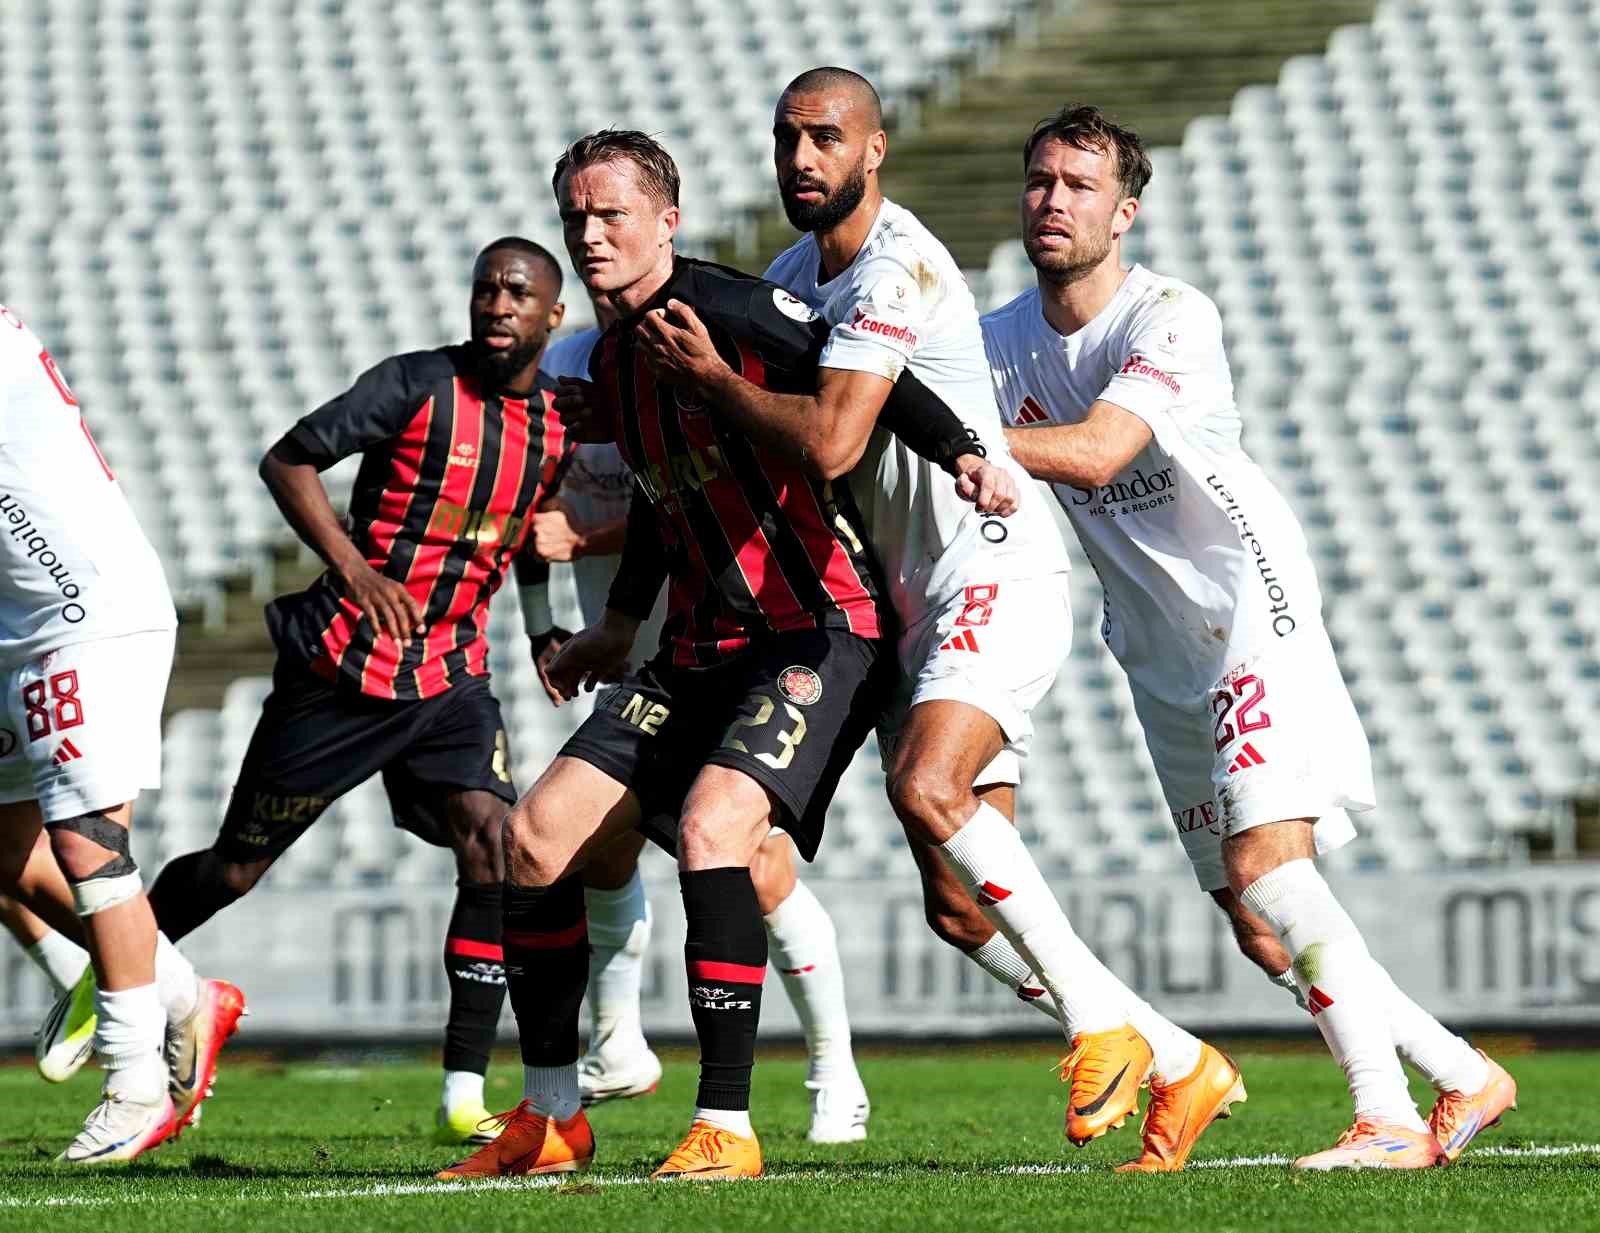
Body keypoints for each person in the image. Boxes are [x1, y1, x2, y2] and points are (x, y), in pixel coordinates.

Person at [638, 67, 1235, 1166]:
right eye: (787, 138)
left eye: (826, 137)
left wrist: (715, 381)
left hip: (986, 573)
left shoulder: (896, 266)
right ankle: (1176, 1056)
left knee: (927, 784)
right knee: (958, 911)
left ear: (873, 151)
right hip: (895, 603)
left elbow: (830, 443)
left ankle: (1102, 1027)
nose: (802, 158)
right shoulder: (791, 277)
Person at [437, 128, 1012, 1184]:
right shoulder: (613, 360)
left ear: (668, 220)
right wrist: (619, 625)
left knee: (715, 830)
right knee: (534, 838)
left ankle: (725, 1124)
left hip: (816, 630)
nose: (590, 234)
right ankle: (553, 1116)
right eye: (576, 217)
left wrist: (966, 452)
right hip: (697, 647)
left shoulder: (732, 309)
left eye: (612, 214)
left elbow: (867, 383)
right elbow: (668, 499)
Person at [983, 104, 1518, 1170]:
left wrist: (953, 432)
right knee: (1255, 918)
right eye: (1041, 180)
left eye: (1080, 186)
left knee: (1267, 861)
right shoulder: (998, 341)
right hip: (1153, 641)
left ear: (1123, 213)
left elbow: (1096, 453)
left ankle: (1384, 1116)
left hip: (1246, 608)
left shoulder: (1170, 314)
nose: (1054, 200)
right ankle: (1461, 1071)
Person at [123, 237, 574, 1148]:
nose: (497, 305)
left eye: (517, 293)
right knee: (234, 870)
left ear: (551, 316)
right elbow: (287, 460)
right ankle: (117, 965)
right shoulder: (416, 384)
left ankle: (461, 1092)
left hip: (449, 676)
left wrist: (539, 629)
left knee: (494, 840)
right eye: (486, 288)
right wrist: (356, 570)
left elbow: (524, 534)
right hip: (344, 670)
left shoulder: (559, 425)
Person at [535, 306, 873, 1142]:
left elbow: (706, 490)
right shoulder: (565, 377)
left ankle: (834, 1068)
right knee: (589, 843)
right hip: (641, 649)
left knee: (752, 861)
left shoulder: (696, 350)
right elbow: (532, 520)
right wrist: (550, 623)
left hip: (725, 640)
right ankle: (616, 1044)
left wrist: (587, 539)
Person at [0, 301, 243, 1162]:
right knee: (7, 848)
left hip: (85, 610)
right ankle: (179, 993)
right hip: (20, 620)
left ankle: (134, 1082)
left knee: (87, 840)